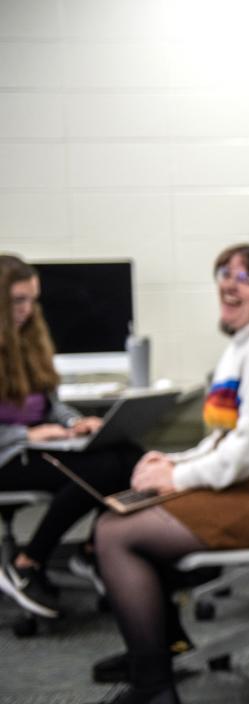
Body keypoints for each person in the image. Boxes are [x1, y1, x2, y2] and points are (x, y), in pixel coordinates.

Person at [74, 243, 249, 704]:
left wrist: (177, 479)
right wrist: (174, 462)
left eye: (245, 277)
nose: (228, 284)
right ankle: (156, 651)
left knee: (116, 534)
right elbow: (228, 438)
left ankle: (153, 691)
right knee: (121, 519)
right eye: (223, 273)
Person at [0, 254, 142, 619]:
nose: (27, 310)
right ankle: (28, 562)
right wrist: (28, 433)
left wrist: (76, 422)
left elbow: (53, 405)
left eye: (32, 299)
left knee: (130, 457)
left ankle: (93, 549)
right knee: (100, 469)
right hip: (9, 455)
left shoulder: (29, 341)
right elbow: (28, 425)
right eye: (18, 300)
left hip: (37, 447)